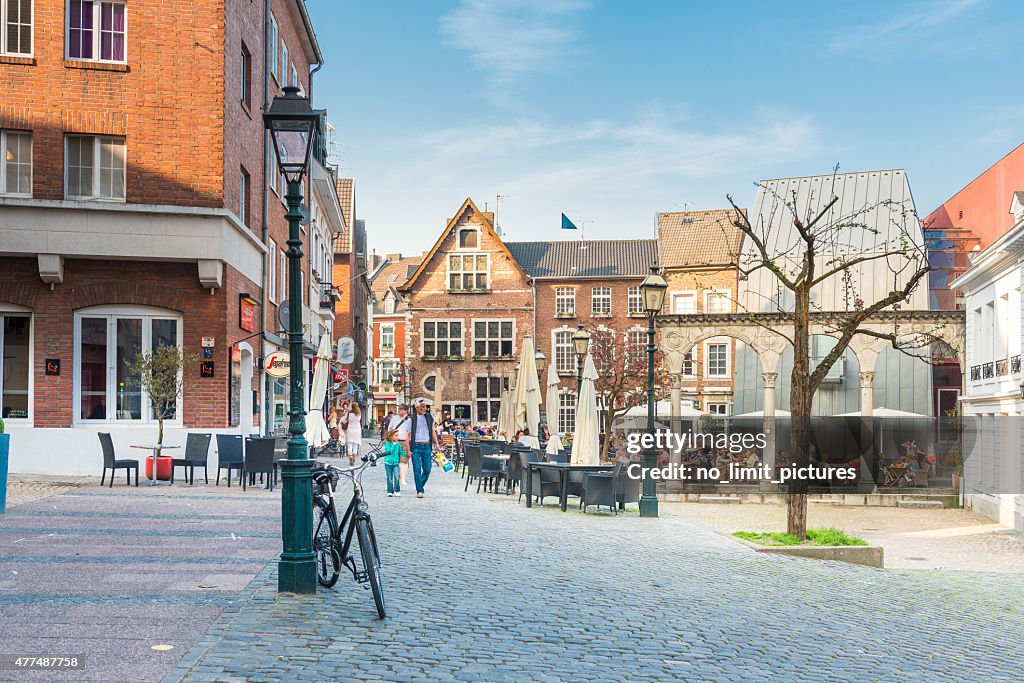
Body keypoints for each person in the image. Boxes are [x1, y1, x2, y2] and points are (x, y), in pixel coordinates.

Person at [408, 400, 440, 498]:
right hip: (416, 446)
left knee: (427, 469)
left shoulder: (429, 417)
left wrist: (437, 444)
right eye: (422, 407)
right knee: (417, 469)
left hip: (426, 446)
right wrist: (408, 450)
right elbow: (408, 435)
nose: (424, 409)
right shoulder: (411, 419)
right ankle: (420, 490)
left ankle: (419, 485)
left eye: (425, 407)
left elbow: (433, 431)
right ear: (417, 408)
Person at [388, 405, 412, 487]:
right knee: (395, 460)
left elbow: (411, 432)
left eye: (401, 409)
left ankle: (402, 479)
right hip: (395, 442)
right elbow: (390, 428)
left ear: (406, 410)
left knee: (404, 460)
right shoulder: (394, 418)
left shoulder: (409, 420)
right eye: (399, 409)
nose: (399, 410)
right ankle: (397, 477)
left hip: (405, 441)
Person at [382, 429, 403, 497]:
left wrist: (407, 453)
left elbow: (400, 452)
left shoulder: (398, 444)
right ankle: (389, 491)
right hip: (388, 463)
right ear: (391, 436)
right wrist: (394, 445)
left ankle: (397, 490)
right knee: (389, 478)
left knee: (397, 476)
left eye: (398, 435)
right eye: (396, 435)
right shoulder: (387, 443)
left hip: (396, 463)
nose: (397, 437)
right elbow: (389, 451)